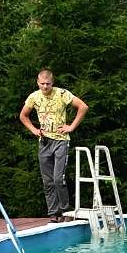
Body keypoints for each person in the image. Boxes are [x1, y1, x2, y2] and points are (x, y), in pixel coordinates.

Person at [18, 69, 87, 221]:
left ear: (52, 82)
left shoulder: (62, 93)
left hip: (61, 140)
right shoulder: (34, 97)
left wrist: (71, 126)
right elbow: (23, 115)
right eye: (42, 84)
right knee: (47, 180)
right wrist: (34, 130)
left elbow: (83, 107)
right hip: (44, 141)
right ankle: (53, 213)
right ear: (37, 83)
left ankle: (65, 211)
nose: (45, 87)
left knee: (58, 178)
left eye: (47, 84)